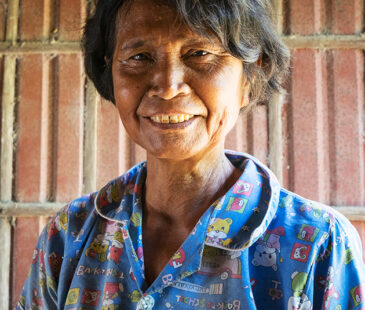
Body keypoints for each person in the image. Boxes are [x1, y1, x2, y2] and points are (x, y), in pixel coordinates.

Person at [18, 0, 365, 309]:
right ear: (110, 71)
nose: (168, 85)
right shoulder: (69, 237)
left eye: (199, 54)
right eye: (139, 57)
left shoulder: (319, 244)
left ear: (249, 74)